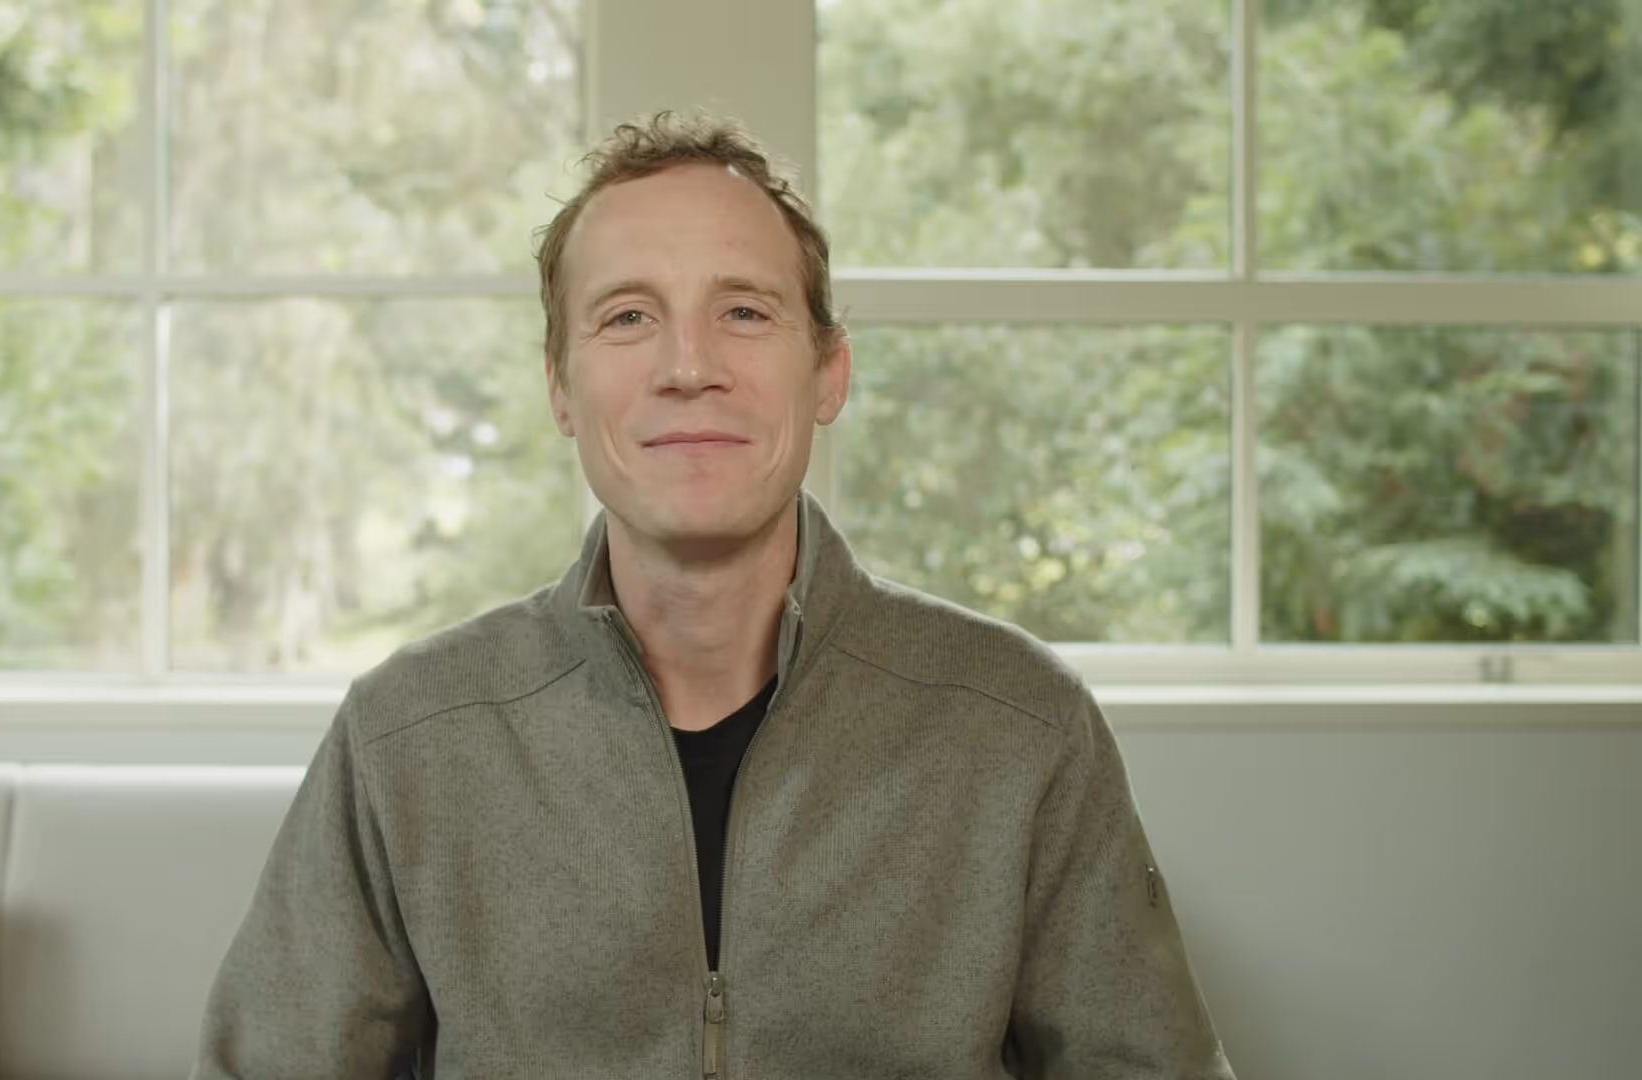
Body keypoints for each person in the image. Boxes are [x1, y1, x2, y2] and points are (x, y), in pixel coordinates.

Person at [193, 111, 1234, 1080]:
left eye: (743, 310)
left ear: (827, 373)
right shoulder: (407, 737)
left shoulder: (1019, 726)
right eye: (629, 316)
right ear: (561, 386)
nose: (689, 366)